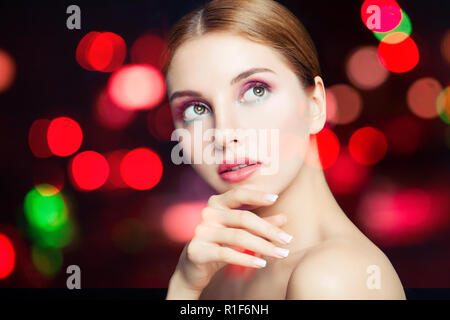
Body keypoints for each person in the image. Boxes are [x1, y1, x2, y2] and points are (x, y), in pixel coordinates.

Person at [162, 0, 406, 299]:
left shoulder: (334, 276)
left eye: (255, 90)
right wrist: (184, 285)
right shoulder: (212, 272)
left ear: (315, 106)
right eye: (195, 109)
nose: (223, 134)